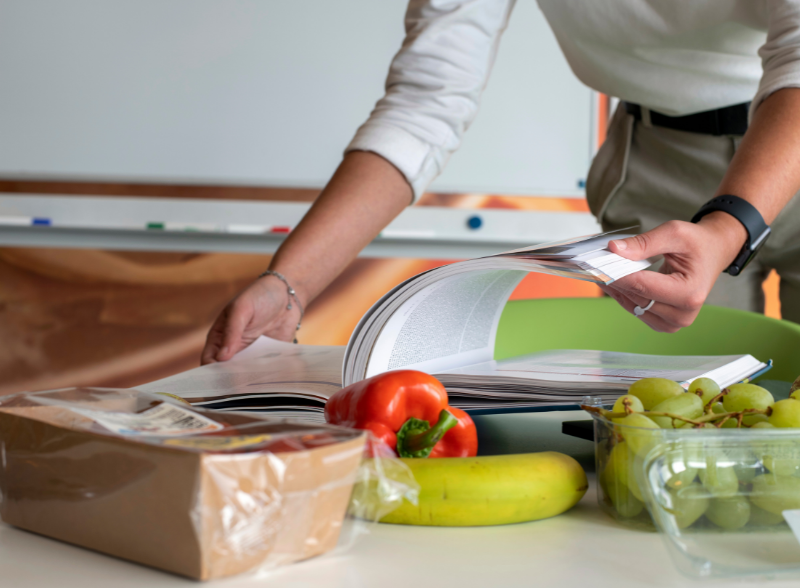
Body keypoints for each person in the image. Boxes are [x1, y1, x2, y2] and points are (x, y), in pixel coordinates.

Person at [202, 0, 800, 364]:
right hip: (658, 154)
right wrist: (290, 284)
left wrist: (729, 226)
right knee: (669, 424)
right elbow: (425, 104)